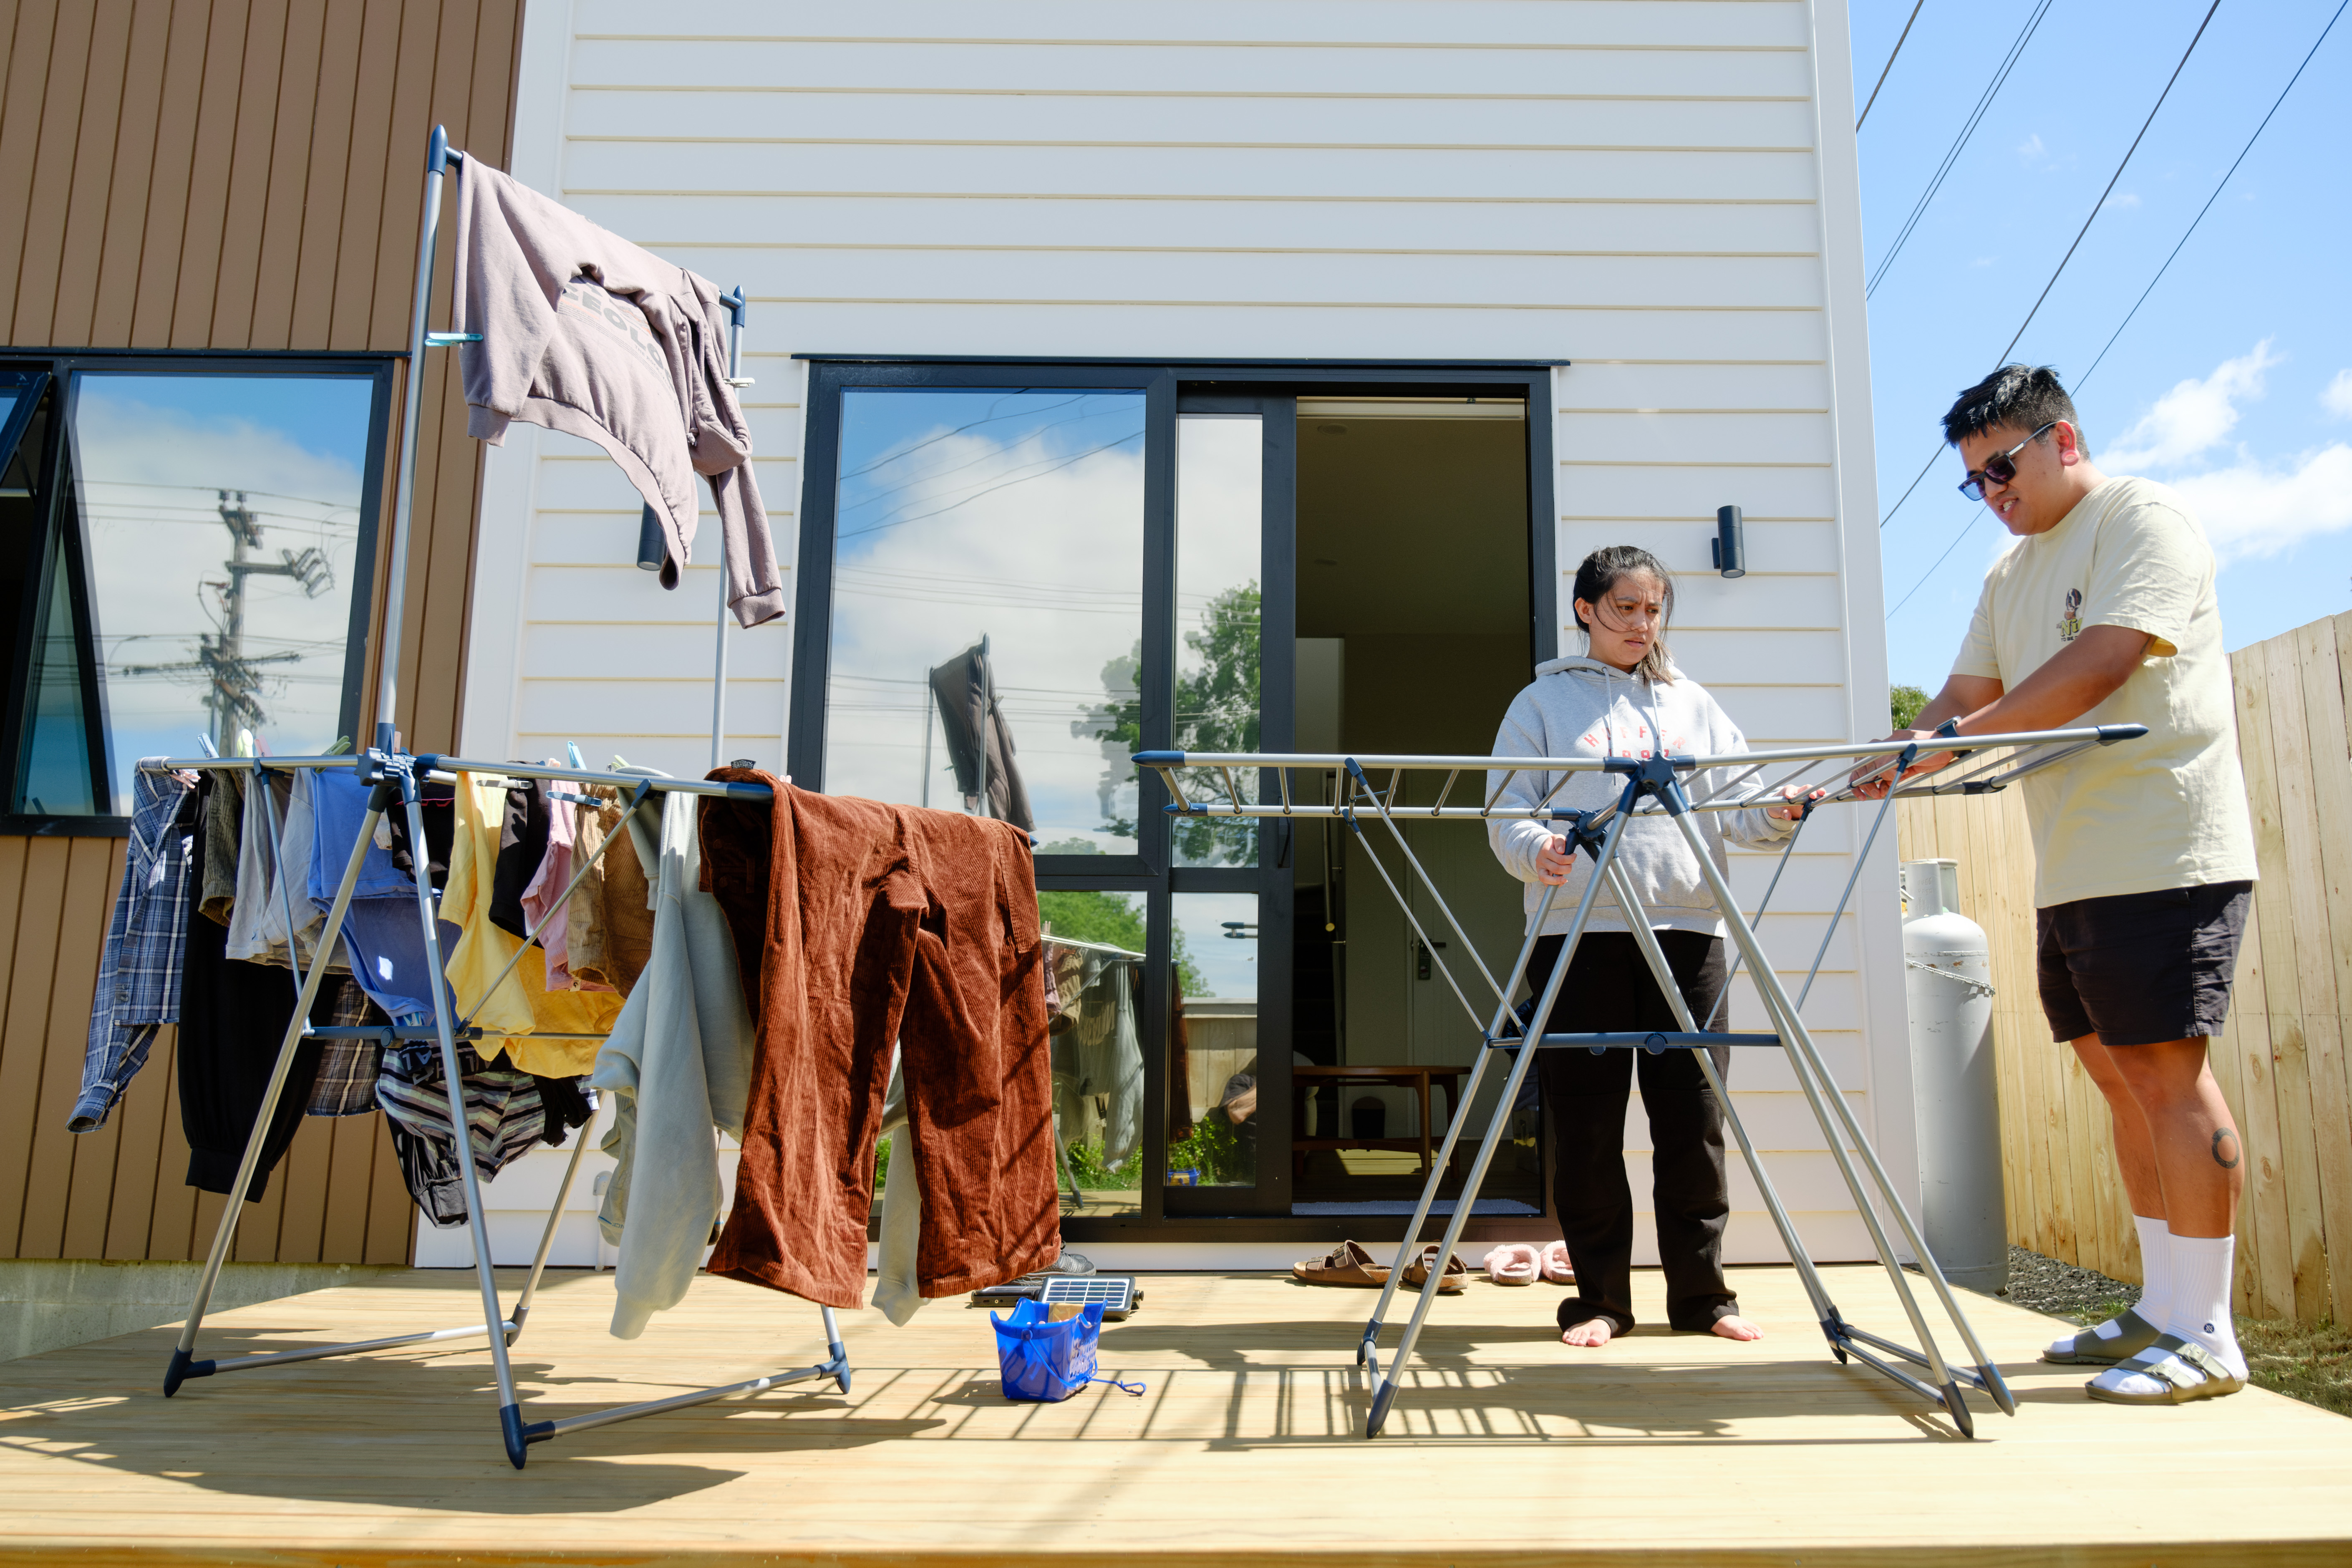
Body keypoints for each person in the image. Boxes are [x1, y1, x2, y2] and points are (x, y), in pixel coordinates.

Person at [1861, 364, 2257, 1406]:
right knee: (2119, 1082)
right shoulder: (2008, 577)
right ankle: (2160, 1307)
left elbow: (2102, 661)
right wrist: (1885, 757)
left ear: (2062, 440)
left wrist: (1945, 742)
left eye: (2004, 467)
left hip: (2165, 849)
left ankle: (2211, 1334)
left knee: (2168, 1078)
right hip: (2073, 863)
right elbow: (1960, 696)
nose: (1992, 493)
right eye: (1973, 482)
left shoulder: (2143, 520)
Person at [1488, 545, 1812, 1347]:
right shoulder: (1539, 703)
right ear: (1585, 610)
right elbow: (1504, 811)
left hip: (1688, 930)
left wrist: (1779, 814)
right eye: (1625, 607)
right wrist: (1538, 851)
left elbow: (1742, 806)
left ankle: (1704, 1299)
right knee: (1588, 1123)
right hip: (1579, 935)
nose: (1642, 623)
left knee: (1692, 1118)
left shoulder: (1694, 703)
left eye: (1653, 608)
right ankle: (1599, 1301)